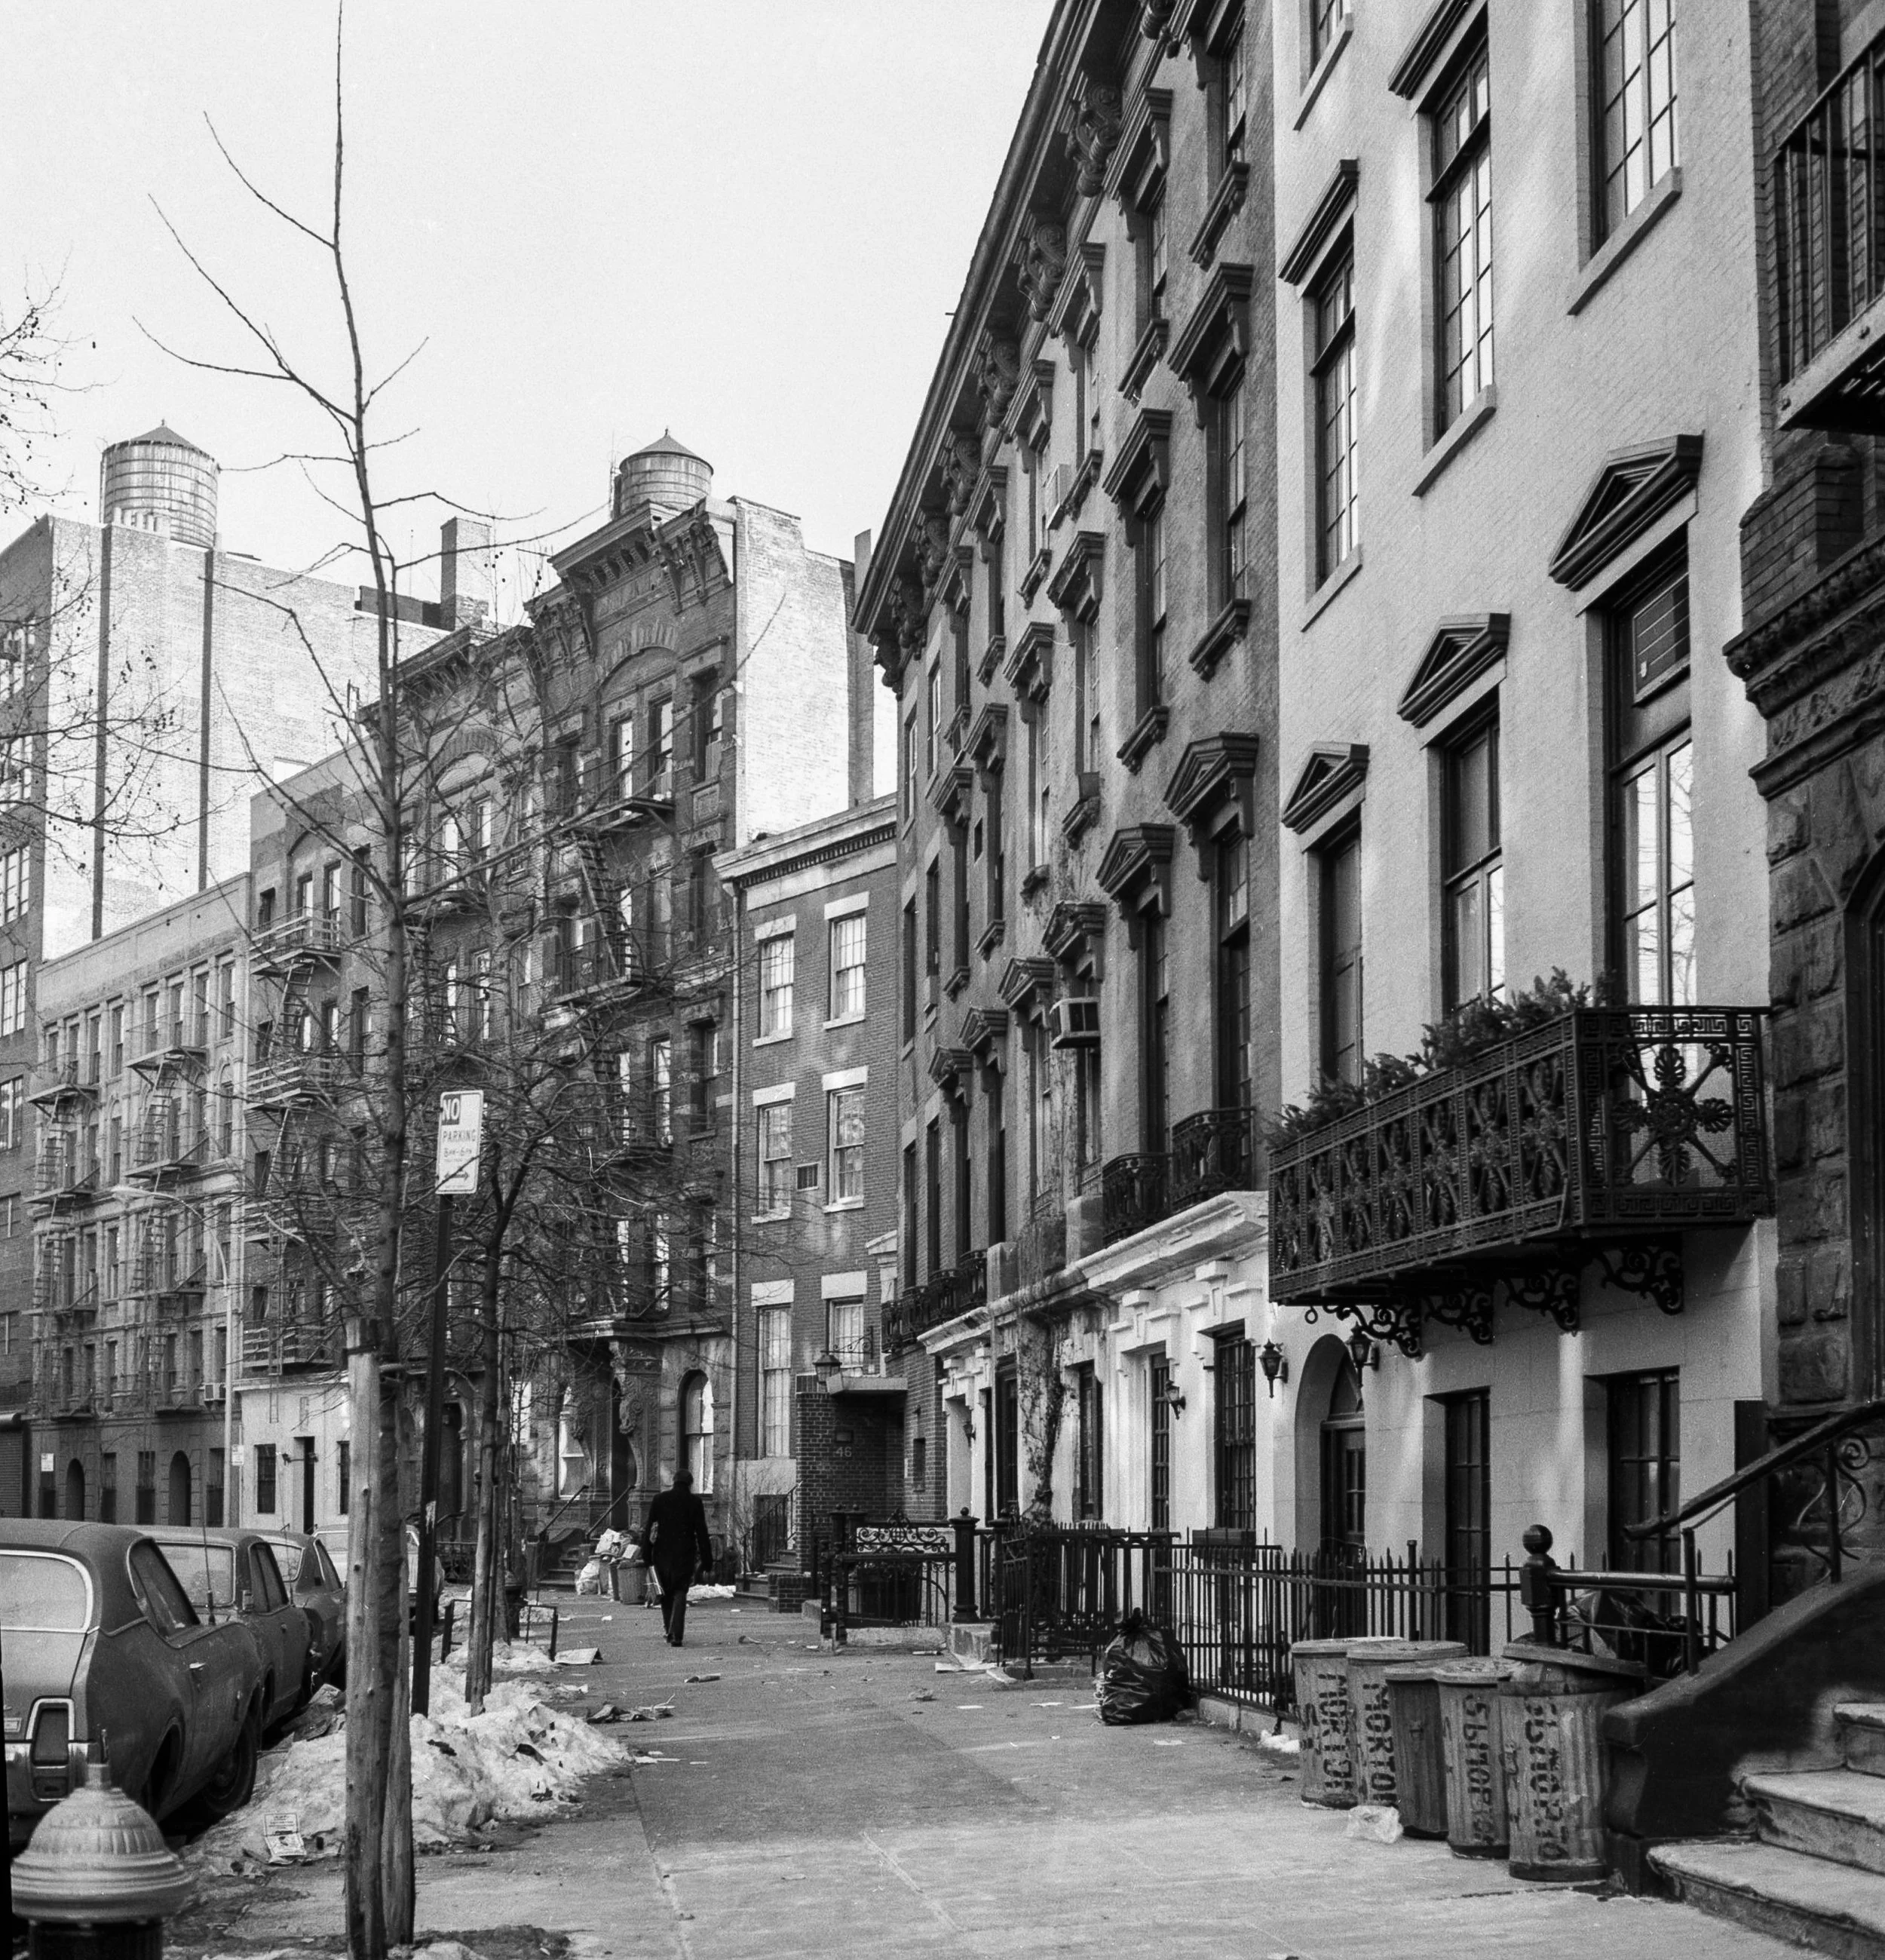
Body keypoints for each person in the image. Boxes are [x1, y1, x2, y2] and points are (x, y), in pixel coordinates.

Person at [643, 1467, 715, 1648]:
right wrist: (707, 1560)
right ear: (690, 1484)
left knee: (666, 1593)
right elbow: (702, 1533)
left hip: (662, 1553)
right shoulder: (694, 1502)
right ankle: (676, 1634)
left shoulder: (659, 1500)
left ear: (674, 1482)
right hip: (684, 1553)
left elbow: (649, 1528)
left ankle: (669, 1630)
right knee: (680, 1591)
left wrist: (646, 1554)